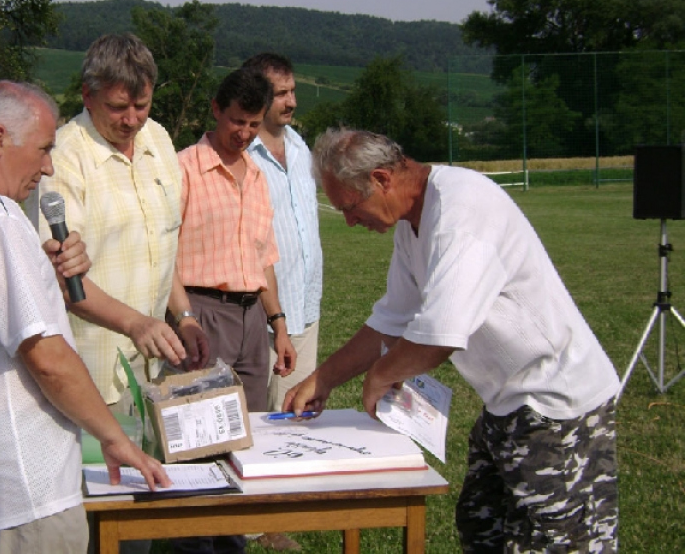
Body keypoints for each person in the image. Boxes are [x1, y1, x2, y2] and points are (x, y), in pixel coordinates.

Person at [285, 129, 620, 553]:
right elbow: (391, 320)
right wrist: (323, 380)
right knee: (481, 525)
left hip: (556, 405)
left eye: (350, 207)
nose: (351, 221)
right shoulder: (413, 224)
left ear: (382, 178)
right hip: (507, 404)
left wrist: (381, 375)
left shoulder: (463, 212)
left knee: (555, 541)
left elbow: (440, 334)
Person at [0, 81, 171, 554]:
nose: (48, 165)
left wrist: (42, 273)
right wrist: (112, 437)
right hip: (22, 494)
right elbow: (48, 357)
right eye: (45, 149)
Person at [28, 33, 209, 416]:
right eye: (117, 107)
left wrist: (185, 317)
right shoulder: (63, 158)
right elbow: (61, 280)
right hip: (91, 376)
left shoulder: (157, 138)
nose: (132, 120)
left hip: (150, 363)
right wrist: (135, 323)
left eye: (142, 105)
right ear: (87, 96)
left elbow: (161, 246)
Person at [173, 68, 297, 554]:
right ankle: (195, 543)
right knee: (201, 438)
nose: (244, 134)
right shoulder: (183, 169)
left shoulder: (259, 175)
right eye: (237, 122)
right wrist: (183, 319)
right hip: (203, 311)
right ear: (215, 109)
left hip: (251, 320)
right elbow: (165, 256)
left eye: (253, 124)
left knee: (246, 439)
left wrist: (278, 324)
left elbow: (263, 256)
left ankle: (232, 540)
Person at [243, 53, 323, 414]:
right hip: (263, 315)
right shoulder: (242, 156)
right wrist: (275, 320)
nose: (291, 101)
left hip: (305, 306)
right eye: (281, 94)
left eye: (293, 91)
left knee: (296, 412)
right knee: (261, 418)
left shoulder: (298, 145)